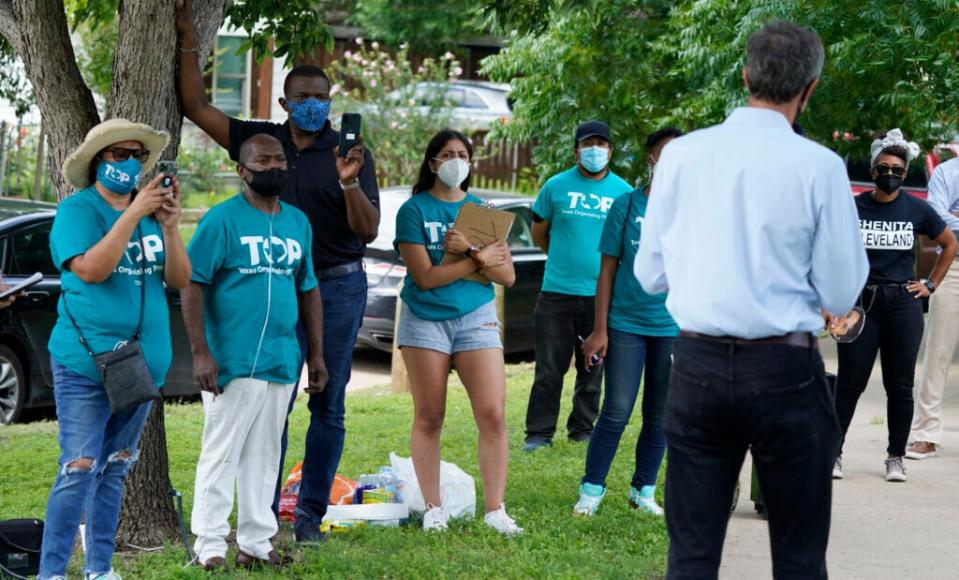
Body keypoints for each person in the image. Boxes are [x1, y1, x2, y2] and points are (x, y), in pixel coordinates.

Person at [635, 21, 869, 579]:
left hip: (698, 365)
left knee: (691, 554)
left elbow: (649, 275)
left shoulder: (682, 157)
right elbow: (840, 291)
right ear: (809, 88)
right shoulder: (820, 167)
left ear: (745, 76)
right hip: (783, 366)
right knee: (798, 556)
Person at [176, 1, 380, 543]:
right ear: (285, 102)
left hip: (332, 286)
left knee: (327, 401)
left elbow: (368, 232)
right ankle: (261, 521)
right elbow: (195, 104)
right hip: (270, 288)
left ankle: (309, 515)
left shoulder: (350, 151)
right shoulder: (261, 142)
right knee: (271, 408)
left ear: (331, 103)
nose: (313, 106)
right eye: (303, 98)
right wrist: (187, 35)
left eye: (322, 98)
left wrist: (349, 181)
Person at [38, 119, 191, 580]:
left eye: (136, 156)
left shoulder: (150, 218)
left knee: (116, 467)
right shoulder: (77, 211)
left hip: (141, 368)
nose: (128, 163)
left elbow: (180, 279)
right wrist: (132, 212)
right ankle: (51, 573)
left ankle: (100, 569)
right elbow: (92, 270)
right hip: (86, 365)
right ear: (97, 162)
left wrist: (169, 227)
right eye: (117, 154)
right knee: (78, 467)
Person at [183, 134, 328, 571]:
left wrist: (316, 355)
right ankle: (208, 545)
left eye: (279, 159)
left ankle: (256, 543)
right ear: (242, 171)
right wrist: (200, 353)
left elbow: (308, 288)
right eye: (262, 161)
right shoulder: (221, 220)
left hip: (281, 358)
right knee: (222, 453)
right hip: (232, 359)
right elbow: (192, 283)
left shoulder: (298, 222)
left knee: (264, 456)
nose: (273, 167)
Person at [394, 129, 522, 535]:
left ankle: (495, 510)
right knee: (430, 415)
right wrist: (476, 260)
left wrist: (470, 251)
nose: (455, 160)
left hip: (475, 317)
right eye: (447, 154)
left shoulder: (481, 210)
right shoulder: (414, 211)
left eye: (462, 154)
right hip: (426, 317)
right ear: (432, 163)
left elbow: (507, 275)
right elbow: (427, 278)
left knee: (493, 414)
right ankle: (434, 508)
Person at [832, 130, 958, 482]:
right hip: (861, 304)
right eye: (884, 167)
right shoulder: (853, 207)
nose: (891, 173)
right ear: (873, 171)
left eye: (898, 169)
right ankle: (833, 453)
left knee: (899, 385)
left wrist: (930, 284)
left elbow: (948, 243)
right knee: (849, 383)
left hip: (903, 305)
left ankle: (895, 457)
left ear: (905, 173)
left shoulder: (917, 209)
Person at [575, 127, 683, 517]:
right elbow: (606, 271)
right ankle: (591, 490)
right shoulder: (626, 205)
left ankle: (644, 490)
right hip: (625, 324)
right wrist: (599, 330)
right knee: (617, 409)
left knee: (661, 413)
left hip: (672, 329)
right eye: (664, 155)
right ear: (650, 160)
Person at [523, 120, 632, 452]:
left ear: (611, 151)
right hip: (556, 293)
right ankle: (539, 434)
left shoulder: (624, 193)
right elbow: (539, 231)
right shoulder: (555, 187)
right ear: (576, 151)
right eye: (588, 145)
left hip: (601, 297)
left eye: (601, 144)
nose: (595, 150)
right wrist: (561, 256)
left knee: (592, 370)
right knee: (548, 370)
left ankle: (582, 430)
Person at [909, 155, 959, 460]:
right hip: (952, 267)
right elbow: (937, 218)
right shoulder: (945, 172)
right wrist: (950, 221)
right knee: (937, 352)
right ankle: (925, 434)